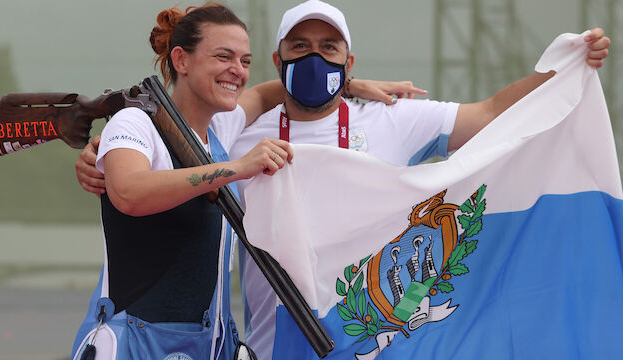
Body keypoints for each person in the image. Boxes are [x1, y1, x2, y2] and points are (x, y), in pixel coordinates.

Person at [75, 1, 611, 359]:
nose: (314, 59)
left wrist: (563, 69)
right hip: (255, 342)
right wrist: (106, 154)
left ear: (347, 59)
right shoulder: (236, 128)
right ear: (279, 60)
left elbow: (491, 113)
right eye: (299, 48)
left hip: (357, 339)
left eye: (328, 49)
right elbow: (141, 176)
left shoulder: (391, 118)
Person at [70, 4, 296, 360]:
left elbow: (269, 94)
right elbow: (129, 193)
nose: (237, 71)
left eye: (246, 61)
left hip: (208, 344)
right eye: (224, 56)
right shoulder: (134, 122)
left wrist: (347, 81)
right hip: (133, 344)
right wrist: (236, 168)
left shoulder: (220, 127)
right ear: (181, 60)